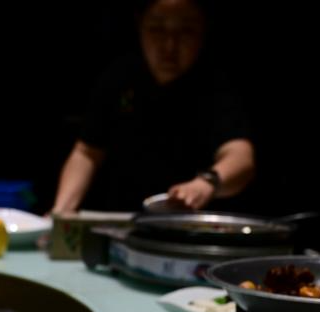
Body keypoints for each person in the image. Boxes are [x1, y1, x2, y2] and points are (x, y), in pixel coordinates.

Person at [52, 0, 255, 213]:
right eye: (157, 29)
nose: (170, 46)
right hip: (121, 221)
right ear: (139, 25)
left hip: (192, 224)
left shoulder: (217, 85)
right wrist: (61, 210)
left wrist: (206, 183)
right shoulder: (119, 77)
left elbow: (241, 156)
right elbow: (87, 152)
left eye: (186, 31)